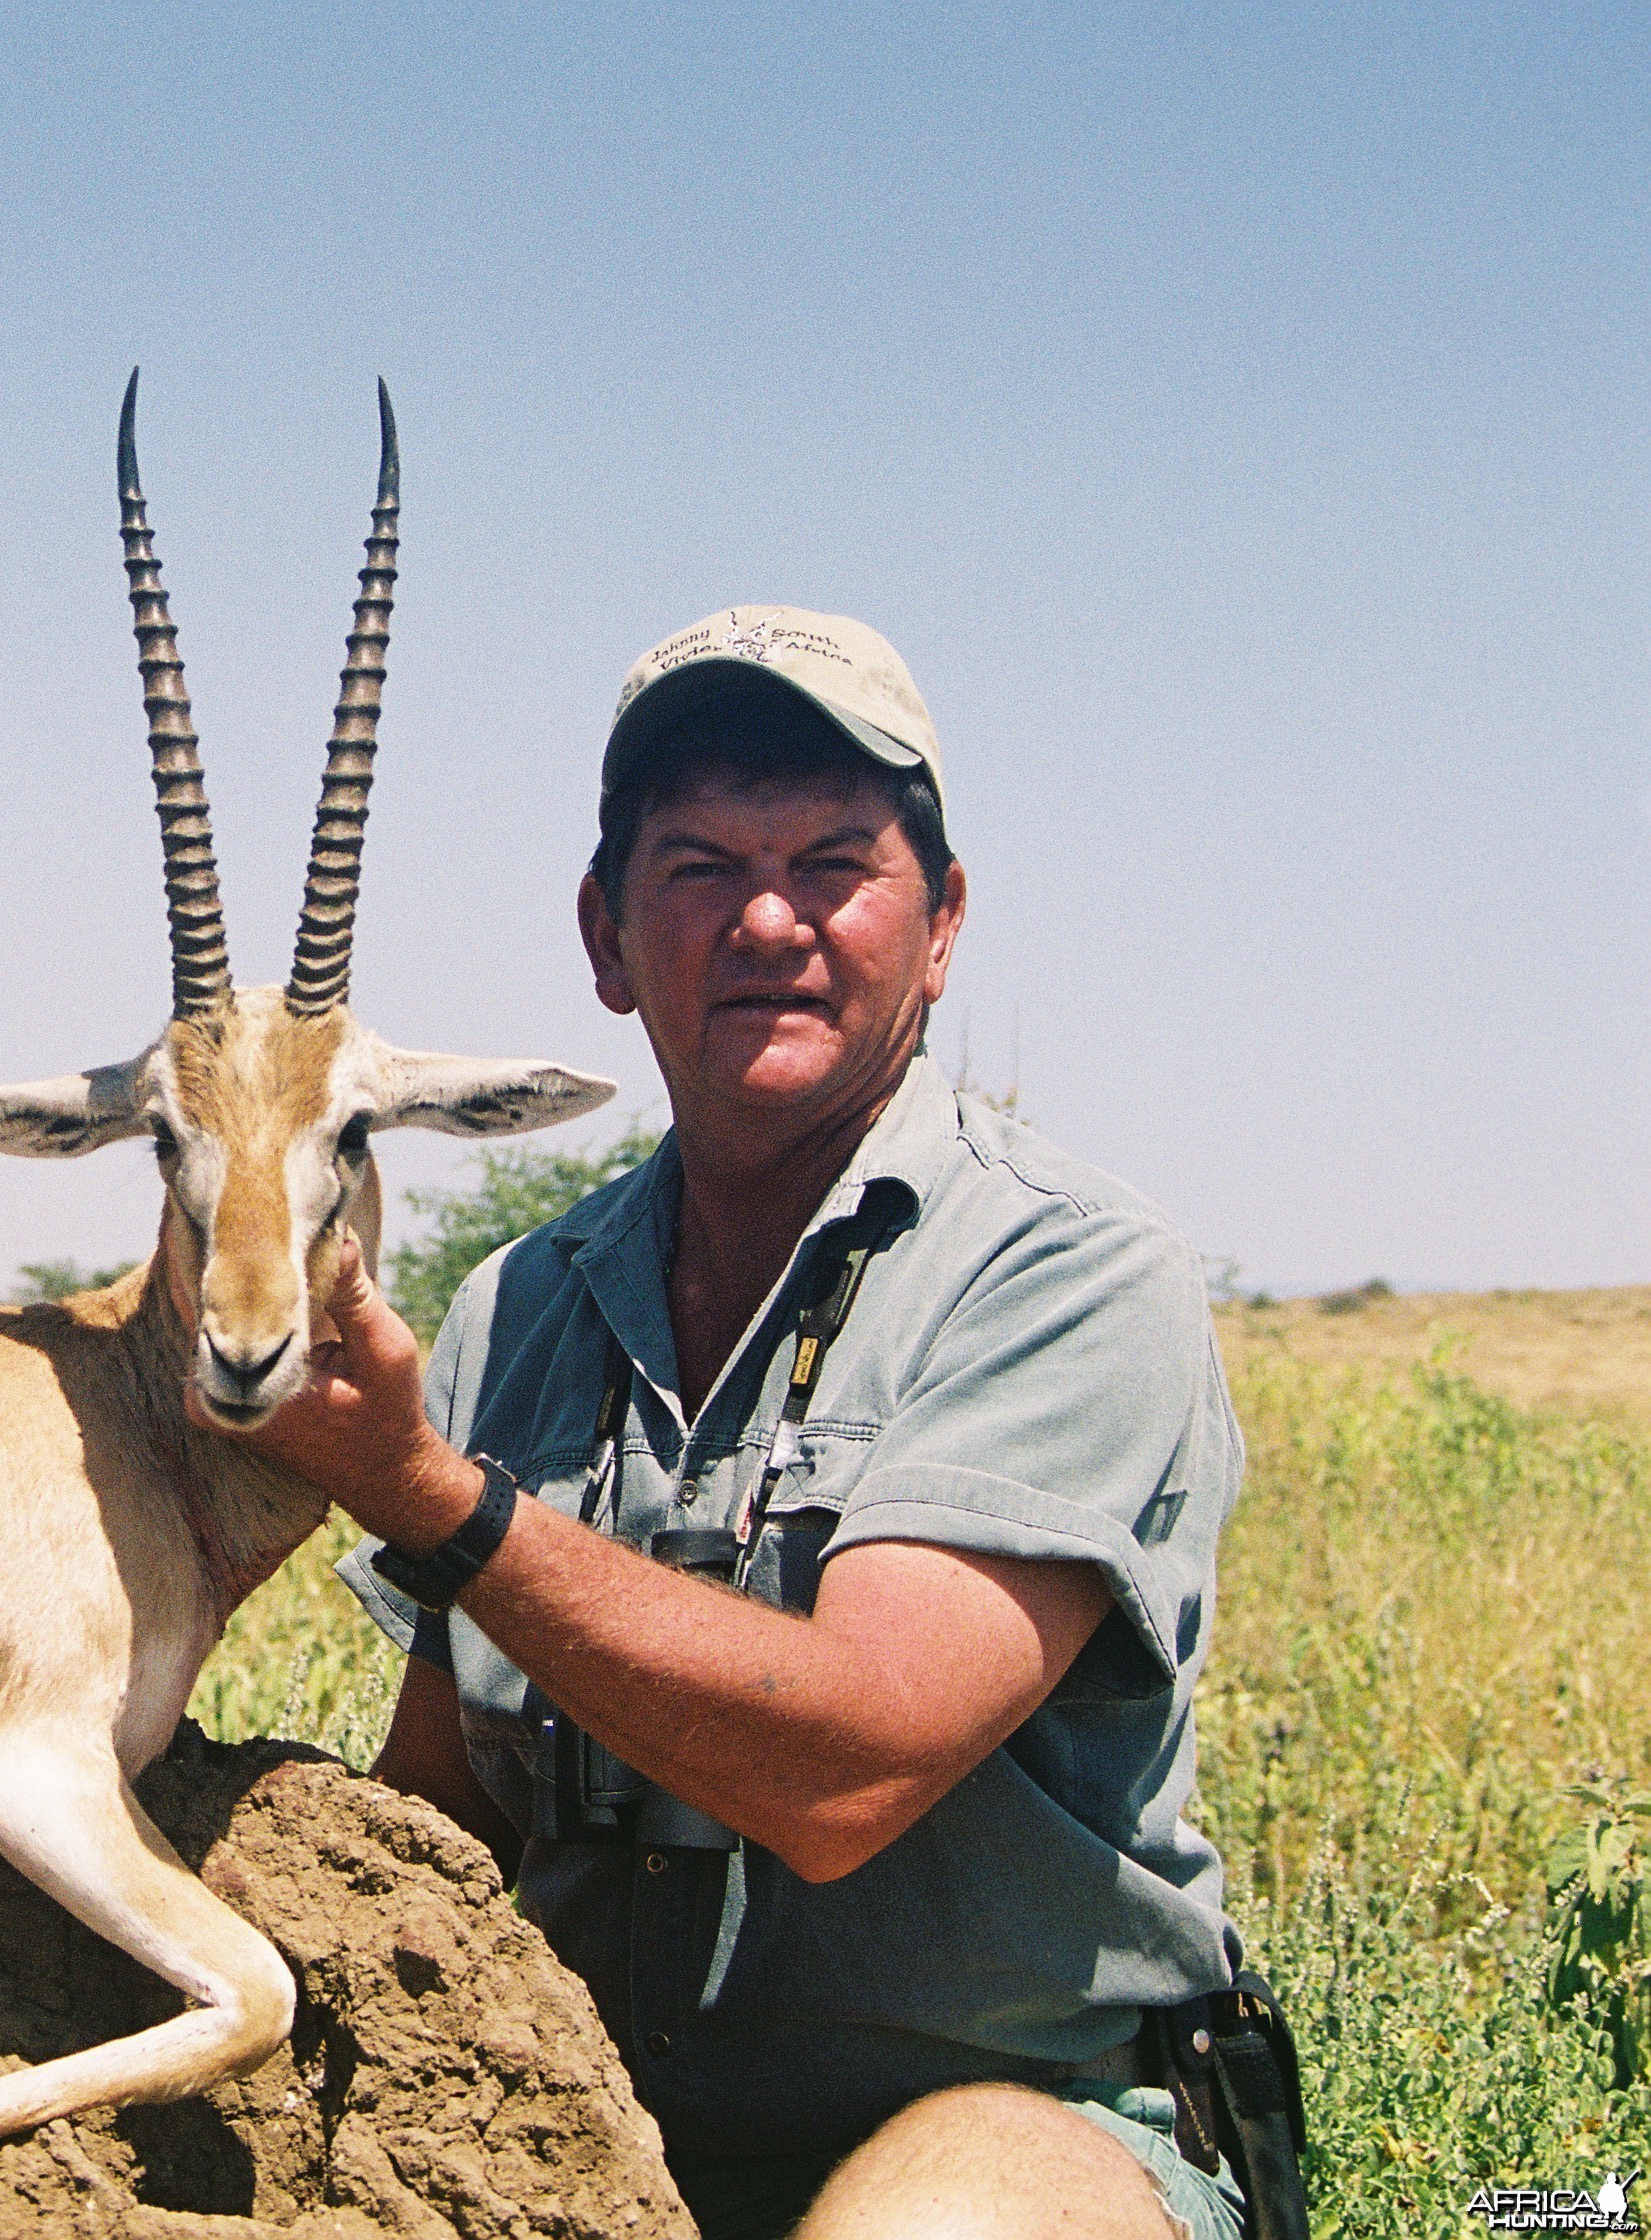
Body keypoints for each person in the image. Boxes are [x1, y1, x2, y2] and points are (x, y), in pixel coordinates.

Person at [243, 609, 1258, 2239]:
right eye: (702, 866)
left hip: (1009, 2130)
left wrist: (438, 1500)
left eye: (835, 865)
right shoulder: (521, 1306)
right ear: (605, 934)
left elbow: (846, 1771)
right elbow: (446, 1818)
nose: (769, 920)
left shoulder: (1068, 1267)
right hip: (578, 2139)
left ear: (943, 928)